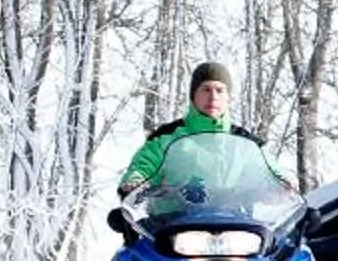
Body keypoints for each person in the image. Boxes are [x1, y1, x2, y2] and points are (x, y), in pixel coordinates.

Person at [120, 61, 288, 199]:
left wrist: (284, 183)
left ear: (228, 97)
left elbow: (270, 169)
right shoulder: (166, 137)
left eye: (220, 90)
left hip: (237, 226)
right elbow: (144, 166)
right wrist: (136, 181)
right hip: (173, 225)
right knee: (139, 241)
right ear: (193, 95)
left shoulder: (247, 143)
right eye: (206, 89)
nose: (213, 96)